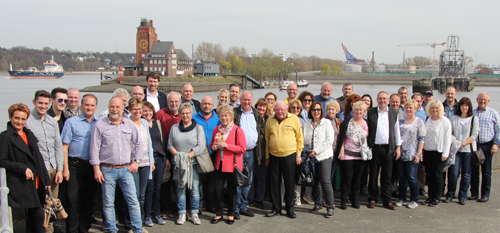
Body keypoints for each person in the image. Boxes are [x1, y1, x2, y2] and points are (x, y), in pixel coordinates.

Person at [90, 96, 145, 233]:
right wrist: (96, 169)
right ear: (108, 107)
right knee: (108, 203)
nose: (115, 109)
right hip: (107, 170)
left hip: (127, 169)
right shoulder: (100, 125)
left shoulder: (129, 124)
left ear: (122, 109)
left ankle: (138, 229)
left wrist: (136, 162)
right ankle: (111, 229)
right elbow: (94, 148)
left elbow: (139, 143)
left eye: (117, 107)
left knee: (133, 201)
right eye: (112, 107)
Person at [0, 104, 51, 233]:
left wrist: (46, 180)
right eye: (16, 118)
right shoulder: (5, 137)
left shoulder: (28, 134)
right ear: (10, 117)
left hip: (37, 181)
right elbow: (2, 161)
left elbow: (38, 159)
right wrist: (22, 168)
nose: (19, 122)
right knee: (38, 219)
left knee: (35, 220)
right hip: (22, 183)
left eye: (23, 119)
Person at [60, 94, 100, 233]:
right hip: (74, 165)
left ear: (96, 107)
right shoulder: (71, 122)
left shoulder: (99, 123)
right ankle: (72, 230)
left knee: (89, 199)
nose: (89, 107)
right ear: (81, 106)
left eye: (92, 105)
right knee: (72, 200)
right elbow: (64, 146)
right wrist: (65, 169)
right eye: (86, 105)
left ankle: (84, 229)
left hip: (92, 165)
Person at [25, 90, 64, 225]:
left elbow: (58, 146)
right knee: (40, 205)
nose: (43, 106)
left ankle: (50, 228)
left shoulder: (52, 122)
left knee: (52, 203)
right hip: (39, 169)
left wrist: (60, 169)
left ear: (50, 103)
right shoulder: (27, 122)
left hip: (53, 167)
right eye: (40, 103)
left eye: (46, 103)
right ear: (34, 102)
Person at [168, 103, 206, 225]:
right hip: (178, 164)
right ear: (179, 114)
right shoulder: (174, 128)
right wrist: (180, 158)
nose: (185, 116)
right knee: (180, 189)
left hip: (193, 164)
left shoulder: (198, 128)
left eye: (187, 113)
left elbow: (200, 146)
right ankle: (182, 213)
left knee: (194, 189)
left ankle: (194, 212)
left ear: (191, 114)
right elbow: (170, 145)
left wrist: (187, 157)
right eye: (183, 113)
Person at [265, 101, 304, 219]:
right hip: (273, 156)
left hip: (290, 156)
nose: (280, 112)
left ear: (287, 109)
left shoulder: (294, 119)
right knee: (274, 183)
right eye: (277, 110)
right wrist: (267, 156)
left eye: (282, 109)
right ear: (274, 110)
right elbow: (267, 140)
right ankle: (276, 209)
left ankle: (290, 209)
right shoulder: (270, 120)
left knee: (289, 183)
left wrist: (298, 154)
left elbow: (300, 138)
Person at [209, 104, 247, 225]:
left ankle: (231, 214)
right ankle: (219, 214)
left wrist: (227, 146)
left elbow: (242, 148)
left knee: (232, 190)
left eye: (226, 115)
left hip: (232, 165)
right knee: (218, 189)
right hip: (219, 164)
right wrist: (214, 147)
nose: (224, 118)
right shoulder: (217, 129)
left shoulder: (237, 131)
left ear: (231, 116)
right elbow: (211, 144)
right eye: (221, 115)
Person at [366, 91, 401, 210]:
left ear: (388, 100)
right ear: (377, 100)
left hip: (388, 148)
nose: (382, 101)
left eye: (385, 98)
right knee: (374, 175)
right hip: (374, 148)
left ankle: (386, 200)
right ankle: (372, 198)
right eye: (380, 98)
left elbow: (396, 131)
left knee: (387, 176)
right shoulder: (370, 112)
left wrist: (398, 147)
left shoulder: (393, 113)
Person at [232, 91, 264, 219]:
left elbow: (261, 134)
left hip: (251, 153)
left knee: (248, 181)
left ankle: (244, 207)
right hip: (237, 152)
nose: (246, 102)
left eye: (249, 99)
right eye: (244, 99)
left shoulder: (256, 114)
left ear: (252, 100)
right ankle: (235, 208)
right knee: (237, 180)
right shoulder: (234, 113)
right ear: (240, 99)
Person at [444, 97, 479, 205]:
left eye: (466, 106)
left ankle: (463, 196)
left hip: (468, 150)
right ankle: (450, 194)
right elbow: (450, 133)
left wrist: (463, 143)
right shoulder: (454, 118)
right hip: (456, 149)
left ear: (469, 107)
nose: (464, 107)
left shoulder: (474, 118)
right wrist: (457, 143)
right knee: (454, 173)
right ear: (459, 106)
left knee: (466, 174)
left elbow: (474, 135)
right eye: (463, 105)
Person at [303, 102, 335, 217]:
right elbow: (304, 140)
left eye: (318, 109)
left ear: (321, 111)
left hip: (324, 156)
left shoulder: (327, 123)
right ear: (310, 111)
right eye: (313, 110)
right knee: (315, 182)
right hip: (311, 157)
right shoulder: (306, 124)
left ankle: (330, 206)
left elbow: (329, 140)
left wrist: (316, 151)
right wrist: (308, 151)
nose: (316, 111)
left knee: (325, 181)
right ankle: (317, 203)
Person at [336, 101, 369, 210]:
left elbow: (369, 139)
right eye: (356, 109)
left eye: (361, 110)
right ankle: (344, 200)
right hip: (348, 155)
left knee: (357, 179)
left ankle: (355, 200)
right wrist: (341, 152)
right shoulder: (347, 122)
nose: (358, 112)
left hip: (361, 155)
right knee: (347, 178)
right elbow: (342, 138)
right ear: (353, 110)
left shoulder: (367, 123)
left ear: (364, 111)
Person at [129, 98, 155, 224]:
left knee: (142, 194)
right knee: (134, 193)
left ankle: (142, 218)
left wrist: (152, 161)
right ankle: (133, 220)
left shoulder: (144, 122)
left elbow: (149, 143)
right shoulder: (127, 123)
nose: (137, 111)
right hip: (132, 163)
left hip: (145, 162)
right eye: (134, 109)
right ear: (129, 110)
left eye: (139, 109)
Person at [395, 99, 426, 209]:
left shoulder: (419, 122)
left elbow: (422, 139)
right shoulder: (401, 122)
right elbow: (397, 137)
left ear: (415, 109)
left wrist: (418, 154)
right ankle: (402, 198)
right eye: (407, 107)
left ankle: (414, 199)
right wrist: (398, 149)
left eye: (411, 108)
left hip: (412, 154)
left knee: (412, 177)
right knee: (402, 178)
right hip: (401, 154)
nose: (408, 109)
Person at [142, 101, 168, 226]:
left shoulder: (157, 123)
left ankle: (156, 214)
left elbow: (162, 142)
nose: (147, 113)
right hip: (147, 160)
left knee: (158, 188)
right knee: (149, 188)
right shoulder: (140, 124)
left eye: (149, 110)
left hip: (160, 159)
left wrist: (166, 158)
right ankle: (147, 215)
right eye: (145, 110)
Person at [471, 92, 500, 202]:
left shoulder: (493, 113)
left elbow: (499, 131)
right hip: (474, 146)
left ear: (488, 101)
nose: (482, 101)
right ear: (477, 100)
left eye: (485, 99)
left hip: (488, 145)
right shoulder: (472, 113)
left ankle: (485, 194)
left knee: (486, 171)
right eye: (481, 99)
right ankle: (474, 193)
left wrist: (496, 144)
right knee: (474, 171)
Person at [193, 96, 220, 213]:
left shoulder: (218, 119)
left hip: (213, 154)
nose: (207, 106)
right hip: (198, 154)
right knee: (198, 181)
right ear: (200, 105)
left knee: (211, 182)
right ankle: (198, 204)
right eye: (204, 103)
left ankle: (210, 203)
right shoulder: (194, 118)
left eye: (209, 104)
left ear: (213, 106)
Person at [422, 100, 452, 207]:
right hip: (427, 151)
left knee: (437, 175)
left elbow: (448, 139)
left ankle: (436, 197)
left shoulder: (445, 121)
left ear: (440, 109)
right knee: (429, 175)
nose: (434, 110)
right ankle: (430, 197)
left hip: (439, 152)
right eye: (433, 108)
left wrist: (445, 153)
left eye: (436, 108)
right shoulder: (428, 120)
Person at [249, 98, 272, 209]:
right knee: (251, 176)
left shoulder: (269, 119)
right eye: (259, 106)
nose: (261, 108)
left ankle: (259, 199)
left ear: (267, 108)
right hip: (253, 151)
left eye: (264, 106)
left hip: (264, 152)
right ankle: (250, 198)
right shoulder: (251, 117)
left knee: (262, 177)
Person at [287, 98, 311, 204]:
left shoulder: (303, 121)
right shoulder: (287, 119)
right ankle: (293, 196)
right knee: (291, 175)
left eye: (298, 107)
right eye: (293, 107)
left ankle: (302, 195)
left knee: (301, 173)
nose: (296, 109)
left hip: (301, 151)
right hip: (289, 150)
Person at [325, 100, 341, 189]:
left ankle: (329, 195)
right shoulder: (323, 120)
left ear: (336, 111)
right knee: (326, 174)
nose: (331, 111)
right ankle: (324, 196)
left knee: (332, 173)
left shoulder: (338, 122)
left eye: (333, 109)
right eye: (329, 109)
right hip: (326, 152)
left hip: (335, 151)